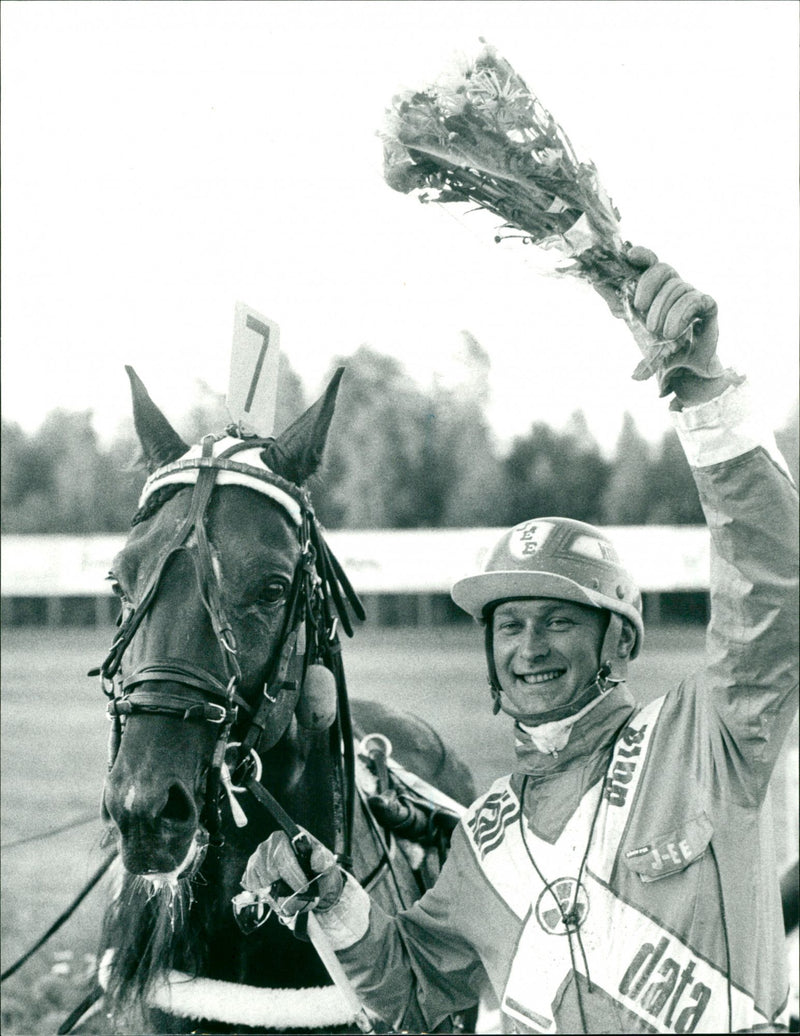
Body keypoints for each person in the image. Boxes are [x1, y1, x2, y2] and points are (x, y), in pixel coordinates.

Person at [241, 249, 799, 1034]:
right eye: (509, 623)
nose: (529, 646)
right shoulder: (483, 839)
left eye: (560, 619)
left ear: (618, 643)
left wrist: (705, 394)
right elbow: (415, 995)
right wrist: (335, 900)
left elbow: (774, 590)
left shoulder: (706, 737)